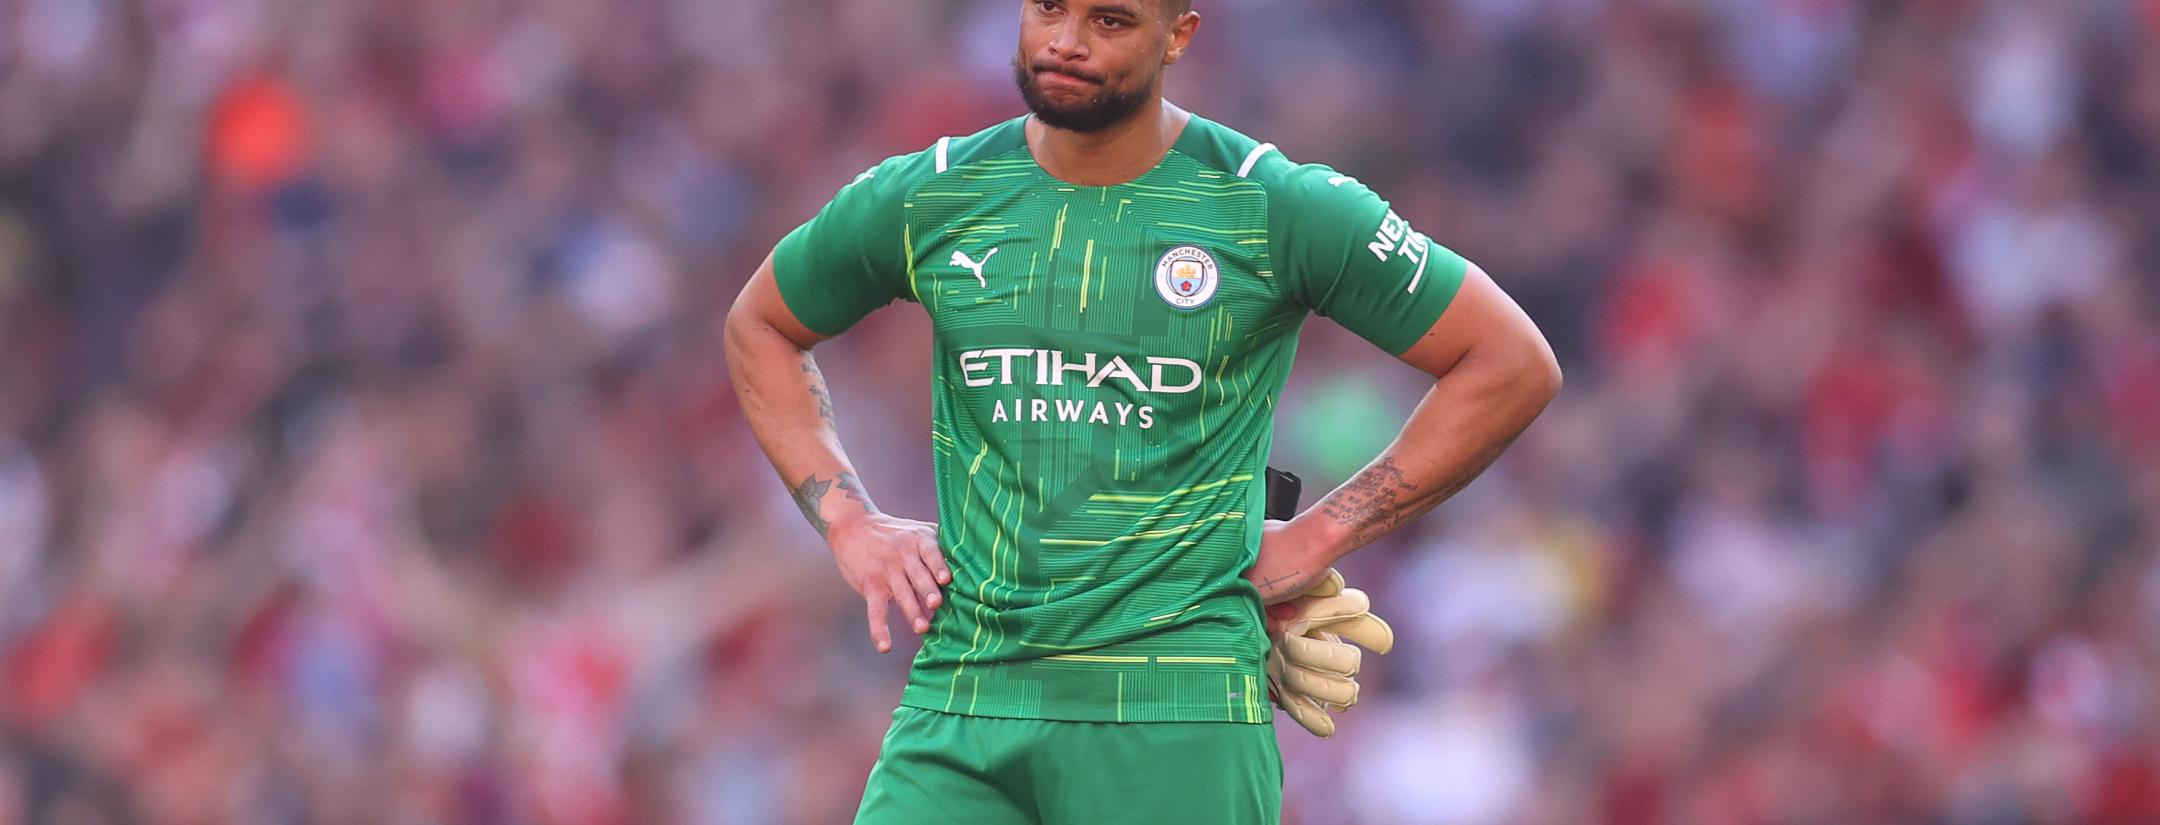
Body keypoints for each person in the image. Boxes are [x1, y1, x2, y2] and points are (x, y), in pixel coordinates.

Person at [723, 0, 1560, 821]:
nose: (1066, 41)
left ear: (1180, 36)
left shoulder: (1272, 205)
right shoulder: (935, 195)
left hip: (1177, 708)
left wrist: (1320, 534)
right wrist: (847, 521)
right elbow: (761, 323)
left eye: (1110, 20)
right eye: (1048, 8)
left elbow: (1509, 361)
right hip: (967, 690)